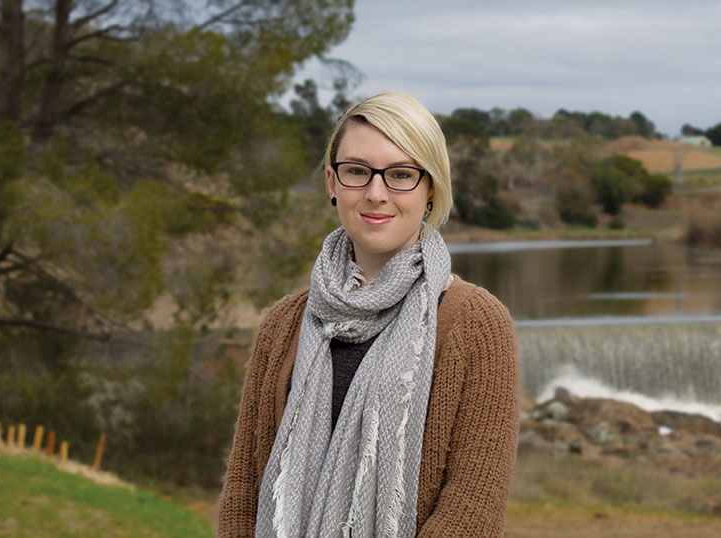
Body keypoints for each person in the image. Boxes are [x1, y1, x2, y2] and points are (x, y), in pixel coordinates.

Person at [218, 92, 519, 537]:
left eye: (401, 175)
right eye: (357, 171)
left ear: (430, 188)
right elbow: (246, 488)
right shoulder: (283, 324)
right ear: (331, 183)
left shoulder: (475, 323)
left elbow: (473, 508)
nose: (376, 194)